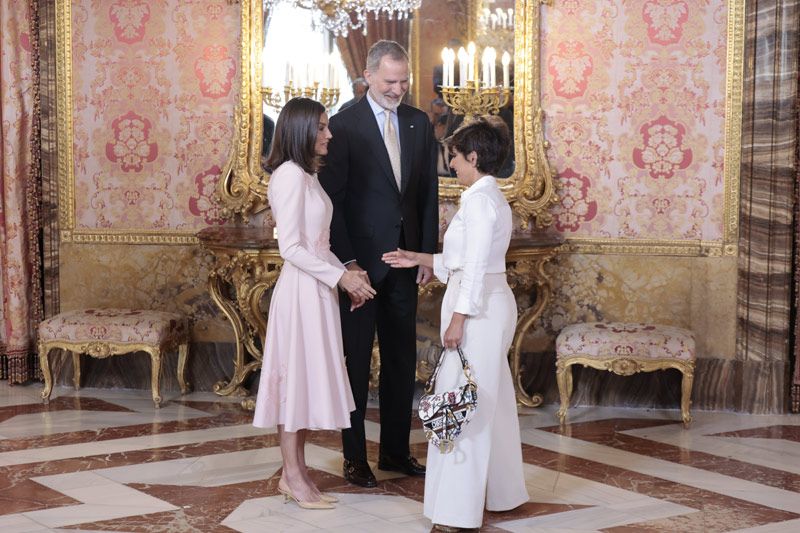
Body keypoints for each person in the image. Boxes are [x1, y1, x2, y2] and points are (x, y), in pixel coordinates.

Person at [382, 116, 530, 531]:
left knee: (463, 404)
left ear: (474, 157)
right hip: (488, 302)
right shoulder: (486, 196)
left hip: (478, 310)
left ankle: (456, 513)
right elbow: (467, 259)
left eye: (456, 159)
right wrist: (419, 257)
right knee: (489, 401)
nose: (452, 166)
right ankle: (504, 493)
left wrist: (459, 319)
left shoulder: (480, 202)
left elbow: (478, 267)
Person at [318, 40, 439, 488]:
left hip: (405, 262)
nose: (399, 89)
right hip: (360, 270)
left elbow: (426, 191)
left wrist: (426, 253)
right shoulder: (342, 125)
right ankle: (354, 458)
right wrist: (349, 264)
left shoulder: (417, 122)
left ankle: (394, 451)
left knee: (401, 361)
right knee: (353, 365)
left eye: (404, 81)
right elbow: (335, 202)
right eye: (390, 81)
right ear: (368, 76)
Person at [252, 97, 377, 510]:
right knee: (294, 383)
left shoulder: (307, 175)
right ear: (302, 130)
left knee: (303, 383)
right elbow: (290, 248)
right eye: (322, 127)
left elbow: (317, 243)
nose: (329, 134)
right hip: (300, 293)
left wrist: (347, 278)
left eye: (327, 126)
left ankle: (297, 473)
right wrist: (339, 277)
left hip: (317, 289)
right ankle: (291, 475)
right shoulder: (288, 176)